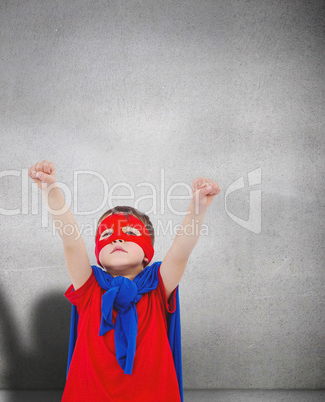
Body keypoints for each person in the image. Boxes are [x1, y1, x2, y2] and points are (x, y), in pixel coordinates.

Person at [28, 160, 220, 401]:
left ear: (147, 253)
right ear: (98, 252)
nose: (117, 240)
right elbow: (70, 241)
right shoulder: (90, 286)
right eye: (107, 235)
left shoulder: (157, 285)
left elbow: (181, 251)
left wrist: (198, 206)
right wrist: (50, 188)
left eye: (130, 233)